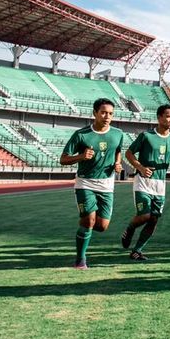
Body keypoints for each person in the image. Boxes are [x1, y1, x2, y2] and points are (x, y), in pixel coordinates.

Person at [60, 98, 126, 269]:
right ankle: (80, 260)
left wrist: (118, 163)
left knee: (102, 226)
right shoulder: (81, 134)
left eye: (110, 113)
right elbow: (63, 159)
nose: (107, 116)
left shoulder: (118, 134)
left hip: (107, 184)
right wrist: (80, 157)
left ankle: (84, 230)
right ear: (95, 113)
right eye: (103, 112)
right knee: (89, 220)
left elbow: (118, 151)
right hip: (85, 183)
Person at [120, 104, 170, 260]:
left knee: (154, 219)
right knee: (144, 215)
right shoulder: (146, 136)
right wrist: (140, 167)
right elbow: (128, 153)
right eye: (168, 116)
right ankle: (130, 228)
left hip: (160, 184)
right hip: (143, 181)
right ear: (159, 117)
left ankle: (137, 250)